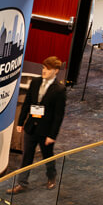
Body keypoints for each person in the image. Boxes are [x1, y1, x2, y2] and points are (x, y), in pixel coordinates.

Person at [9, 56, 68, 193]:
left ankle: (51, 176)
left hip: (46, 131)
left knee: (47, 156)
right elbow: (27, 103)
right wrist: (20, 122)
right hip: (31, 127)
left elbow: (58, 116)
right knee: (26, 157)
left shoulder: (59, 90)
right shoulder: (35, 82)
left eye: (48, 69)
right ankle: (22, 183)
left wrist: (52, 135)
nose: (44, 71)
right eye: (43, 68)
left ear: (56, 71)